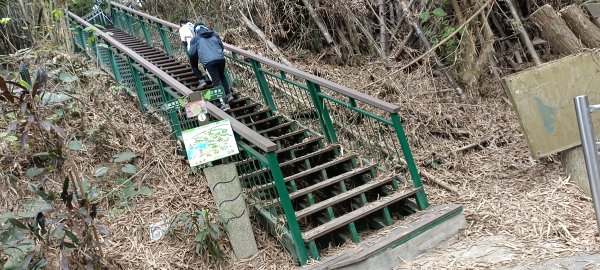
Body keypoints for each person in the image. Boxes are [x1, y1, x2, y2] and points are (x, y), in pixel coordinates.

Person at [189, 22, 234, 110]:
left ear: (195, 31)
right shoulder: (214, 34)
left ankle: (224, 103)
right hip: (220, 59)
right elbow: (221, 46)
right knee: (222, 76)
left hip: (209, 62)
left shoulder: (195, 38)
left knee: (216, 81)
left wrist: (195, 62)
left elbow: (192, 53)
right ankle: (228, 95)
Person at [179, 19, 208, 88]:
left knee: (194, 66)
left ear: (182, 24)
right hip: (202, 46)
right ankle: (212, 76)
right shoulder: (195, 26)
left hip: (192, 48)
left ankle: (201, 81)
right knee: (205, 63)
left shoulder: (182, 28)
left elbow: (184, 41)